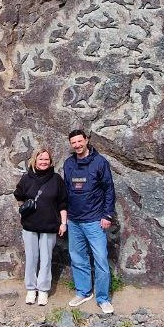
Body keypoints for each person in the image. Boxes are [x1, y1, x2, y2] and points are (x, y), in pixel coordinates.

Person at [63, 128, 116, 315]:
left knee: (100, 259)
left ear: (86, 140)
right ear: (71, 145)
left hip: (95, 220)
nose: (77, 145)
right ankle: (83, 292)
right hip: (74, 220)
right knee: (78, 258)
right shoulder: (68, 164)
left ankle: (103, 298)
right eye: (73, 143)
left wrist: (107, 215)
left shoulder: (100, 162)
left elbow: (109, 190)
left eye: (80, 141)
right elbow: (67, 190)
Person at [13, 145, 67, 307]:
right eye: (41, 158)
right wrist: (26, 207)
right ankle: (31, 288)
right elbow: (18, 195)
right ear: (34, 160)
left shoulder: (56, 179)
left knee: (46, 258)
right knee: (31, 258)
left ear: (51, 162)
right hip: (30, 225)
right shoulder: (27, 178)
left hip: (50, 225)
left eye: (46, 159)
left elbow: (63, 203)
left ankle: (43, 290)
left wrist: (63, 223)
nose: (44, 161)